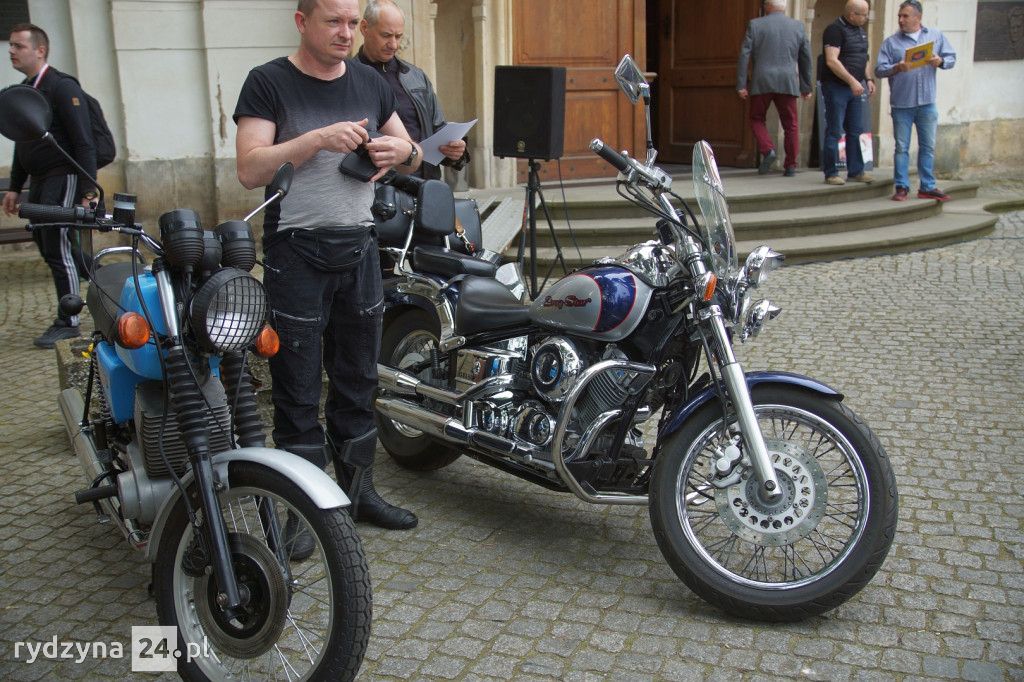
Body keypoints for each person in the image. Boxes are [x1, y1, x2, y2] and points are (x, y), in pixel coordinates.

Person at [233, 0, 422, 539]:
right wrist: (316, 139)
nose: (346, 33)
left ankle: (359, 495)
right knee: (296, 387)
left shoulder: (370, 82)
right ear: (302, 22)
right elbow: (249, 168)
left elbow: (413, 152)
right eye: (333, 22)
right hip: (296, 250)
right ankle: (303, 515)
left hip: (359, 247)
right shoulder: (268, 81)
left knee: (359, 380)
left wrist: (399, 151)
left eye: (352, 23)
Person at [3, 23, 97, 348]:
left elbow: (84, 142)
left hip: (63, 177)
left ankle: (69, 321)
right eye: (11, 45)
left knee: (56, 245)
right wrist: (15, 186)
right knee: (48, 244)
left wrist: (88, 190)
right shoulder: (26, 89)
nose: (11, 51)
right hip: (40, 180)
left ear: (40, 50)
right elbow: (21, 142)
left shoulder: (61, 87)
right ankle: (101, 277)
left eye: (18, 46)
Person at [357, 0, 468, 180]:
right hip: (379, 186)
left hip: (425, 184)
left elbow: (438, 128)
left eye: (398, 36)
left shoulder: (416, 76)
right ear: (364, 28)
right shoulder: (348, 77)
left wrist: (455, 151)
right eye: (386, 35)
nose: (394, 44)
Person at [875, 0, 956, 202]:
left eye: (905, 16)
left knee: (928, 146)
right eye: (899, 16)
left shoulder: (935, 36)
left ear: (918, 18)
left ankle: (927, 186)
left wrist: (941, 61)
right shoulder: (891, 42)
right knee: (902, 148)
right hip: (902, 103)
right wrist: (896, 67)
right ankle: (902, 187)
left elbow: (951, 58)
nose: (901, 20)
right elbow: (879, 70)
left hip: (927, 102)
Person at [737, 0, 813, 177]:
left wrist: (741, 84)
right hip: (787, 81)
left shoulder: (755, 24)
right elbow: (806, 57)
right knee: (791, 124)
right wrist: (806, 86)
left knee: (756, 118)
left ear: (767, 7)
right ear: (784, 7)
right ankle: (791, 166)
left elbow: (744, 55)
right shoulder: (798, 26)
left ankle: (768, 150)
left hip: (762, 80)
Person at [820, 0, 876, 186]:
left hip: (855, 87)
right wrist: (852, 81)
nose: (866, 18)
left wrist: (868, 79)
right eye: (864, 14)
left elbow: (863, 57)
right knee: (835, 130)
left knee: (856, 130)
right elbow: (831, 61)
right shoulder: (834, 30)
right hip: (837, 87)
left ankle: (856, 171)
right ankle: (831, 173)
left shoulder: (860, 31)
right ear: (852, 14)